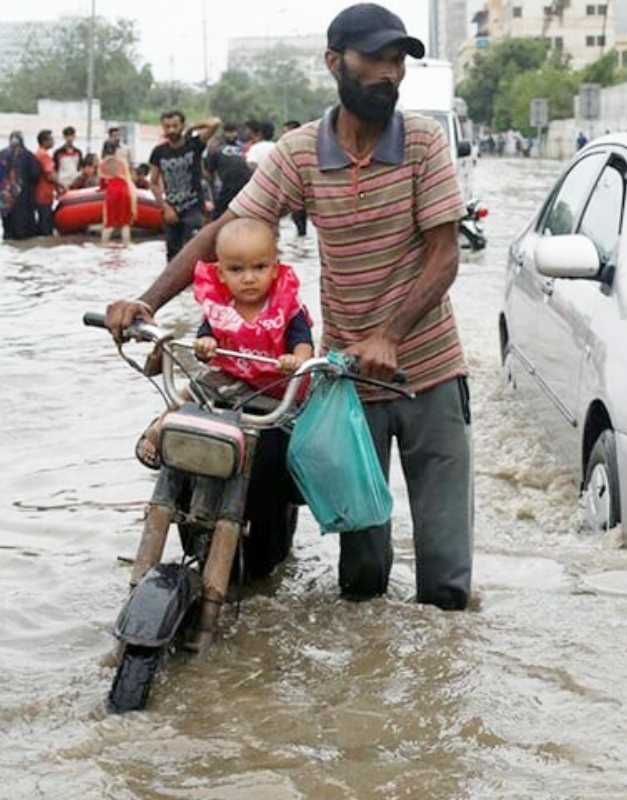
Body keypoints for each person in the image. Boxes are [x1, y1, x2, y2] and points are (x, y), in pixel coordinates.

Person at [106, 3, 472, 611]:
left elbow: (444, 257)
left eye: (397, 61)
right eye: (374, 58)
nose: (389, 73)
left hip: (430, 373)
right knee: (362, 577)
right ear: (334, 63)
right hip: (347, 383)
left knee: (446, 584)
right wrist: (144, 301)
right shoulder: (302, 153)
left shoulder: (424, 143)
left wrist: (389, 333)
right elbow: (227, 230)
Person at [134, 217, 313, 462]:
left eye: (259, 267)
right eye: (237, 269)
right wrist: (205, 345)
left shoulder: (287, 305)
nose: (248, 278)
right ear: (220, 273)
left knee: (303, 440)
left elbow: (303, 341)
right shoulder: (220, 306)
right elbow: (206, 336)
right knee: (196, 387)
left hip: (276, 387)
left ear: (275, 268)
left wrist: (298, 360)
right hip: (231, 378)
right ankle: (160, 426)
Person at [148, 109, 221, 262]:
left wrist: (193, 128)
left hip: (193, 207)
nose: (171, 130)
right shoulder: (159, 152)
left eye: (175, 126)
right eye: (167, 127)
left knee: (193, 252)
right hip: (171, 209)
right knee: (172, 256)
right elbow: (153, 183)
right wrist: (165, 207)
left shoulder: (194, 144)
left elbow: (216, 123)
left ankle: (196, 283)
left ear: (182, 126)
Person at [0, 131, 41, 241]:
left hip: (5, 200)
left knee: (8, 233)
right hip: (24, 200)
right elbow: (35, 175)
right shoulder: (28, 155)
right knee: (24, 234)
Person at [203, 122, 251, 221]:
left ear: (237, 133)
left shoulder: (244, 149)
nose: (231, 135)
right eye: (228, 132)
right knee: (219, 216)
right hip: (225, 188)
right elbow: (209, 171)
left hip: (244, 188)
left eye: (233, 132)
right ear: (224, 133)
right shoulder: (216, 149)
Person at [99, 141, 137, 245]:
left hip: (112, 192)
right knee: (125, 224)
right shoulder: (122, 162)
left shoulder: (102, 164)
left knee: (109, 224)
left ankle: (104, 245)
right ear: (116, 150)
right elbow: (128, 180)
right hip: (124, 191)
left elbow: (102, 184)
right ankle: (126, 245)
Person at [283, 120, 309, 236]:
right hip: (295, 188)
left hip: (301, 189)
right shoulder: (287, 147)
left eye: (287, 132)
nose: (284, 135)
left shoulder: (302, 146)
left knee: (300, 221)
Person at [34, 129, 61, 236]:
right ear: (45, 141)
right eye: (51, 139)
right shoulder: (44, 156)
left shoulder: (38, 153)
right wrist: (61, 185)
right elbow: (50, 175)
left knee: (42, 220)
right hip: (44, 194)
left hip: (40, 193)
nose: (53, 142)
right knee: (45, 224)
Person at [54, 126, 84, 191]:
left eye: (71, 136)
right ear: (64, 137)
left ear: (74, 137)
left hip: (75, 183)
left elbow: (80, 168)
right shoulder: (58, 152)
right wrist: (57, 186)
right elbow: (55, 169)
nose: (69, 138)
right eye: (67, 136)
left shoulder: (78, 152)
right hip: (62, 184)